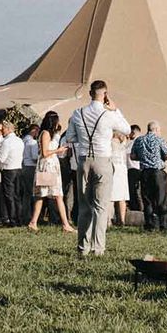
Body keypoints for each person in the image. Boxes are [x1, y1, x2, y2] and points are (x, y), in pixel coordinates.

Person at [64, 80, 131, 256]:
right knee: (101, 207)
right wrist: (115, 109)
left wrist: (85, 139)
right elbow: (126, 129)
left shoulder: (78, 113)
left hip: (84, 160)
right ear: (105, 94)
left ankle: (82, 247)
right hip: (103, 160)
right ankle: (98, 248)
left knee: (84, 205)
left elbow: (70, 138)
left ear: (90, 93)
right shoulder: (109, 115)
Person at [27, 111, 75, 234]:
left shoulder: (49, 133)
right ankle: (65, 224)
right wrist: (58, 150)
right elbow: (44, 153)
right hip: (47, 166)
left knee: (42, 195)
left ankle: (33, 222)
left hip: (51, 165)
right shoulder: (46, 134)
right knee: (56, 195)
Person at [132, 121, 167, 231]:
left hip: (144, 172)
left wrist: (144, 157)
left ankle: (149, 225)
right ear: (157, 129)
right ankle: (163, 224)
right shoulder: (160, 139)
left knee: (147, 199)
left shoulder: (139, 140)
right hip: (158, 172)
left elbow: (133, 156)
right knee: (161, 199)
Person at [0, 120, 25, 226]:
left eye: (3, 129)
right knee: (17, 195)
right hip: (18, 168)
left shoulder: (6, 142)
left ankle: (12, 219)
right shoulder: (19, 140)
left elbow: (2, 158)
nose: (2, 131)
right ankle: (19, 218)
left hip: (8, 169)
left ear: (8, 129)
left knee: (9, 195)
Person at [110, 129, 131, 226]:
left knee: (111, 195)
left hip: (113, 168)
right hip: (122, 169)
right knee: (122, 196)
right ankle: (121, 220)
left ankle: (109, 219)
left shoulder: (110, 142)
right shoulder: (124, 142)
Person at [21, 124, 40, 223]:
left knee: (25, 193)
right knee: (31, 192)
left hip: (23, 166)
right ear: (34, 130)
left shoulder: (23, 140)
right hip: (30, 167)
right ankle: (29, 215)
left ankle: (25, 213)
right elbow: (34, 157)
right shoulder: (32, 142)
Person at [126, 125, 143, 213]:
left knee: (134, 190)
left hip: (134, 168)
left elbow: (127, 151)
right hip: (132, 168)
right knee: (132, 190)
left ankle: (136, 208)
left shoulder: (136, 141)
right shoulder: (132, 141)